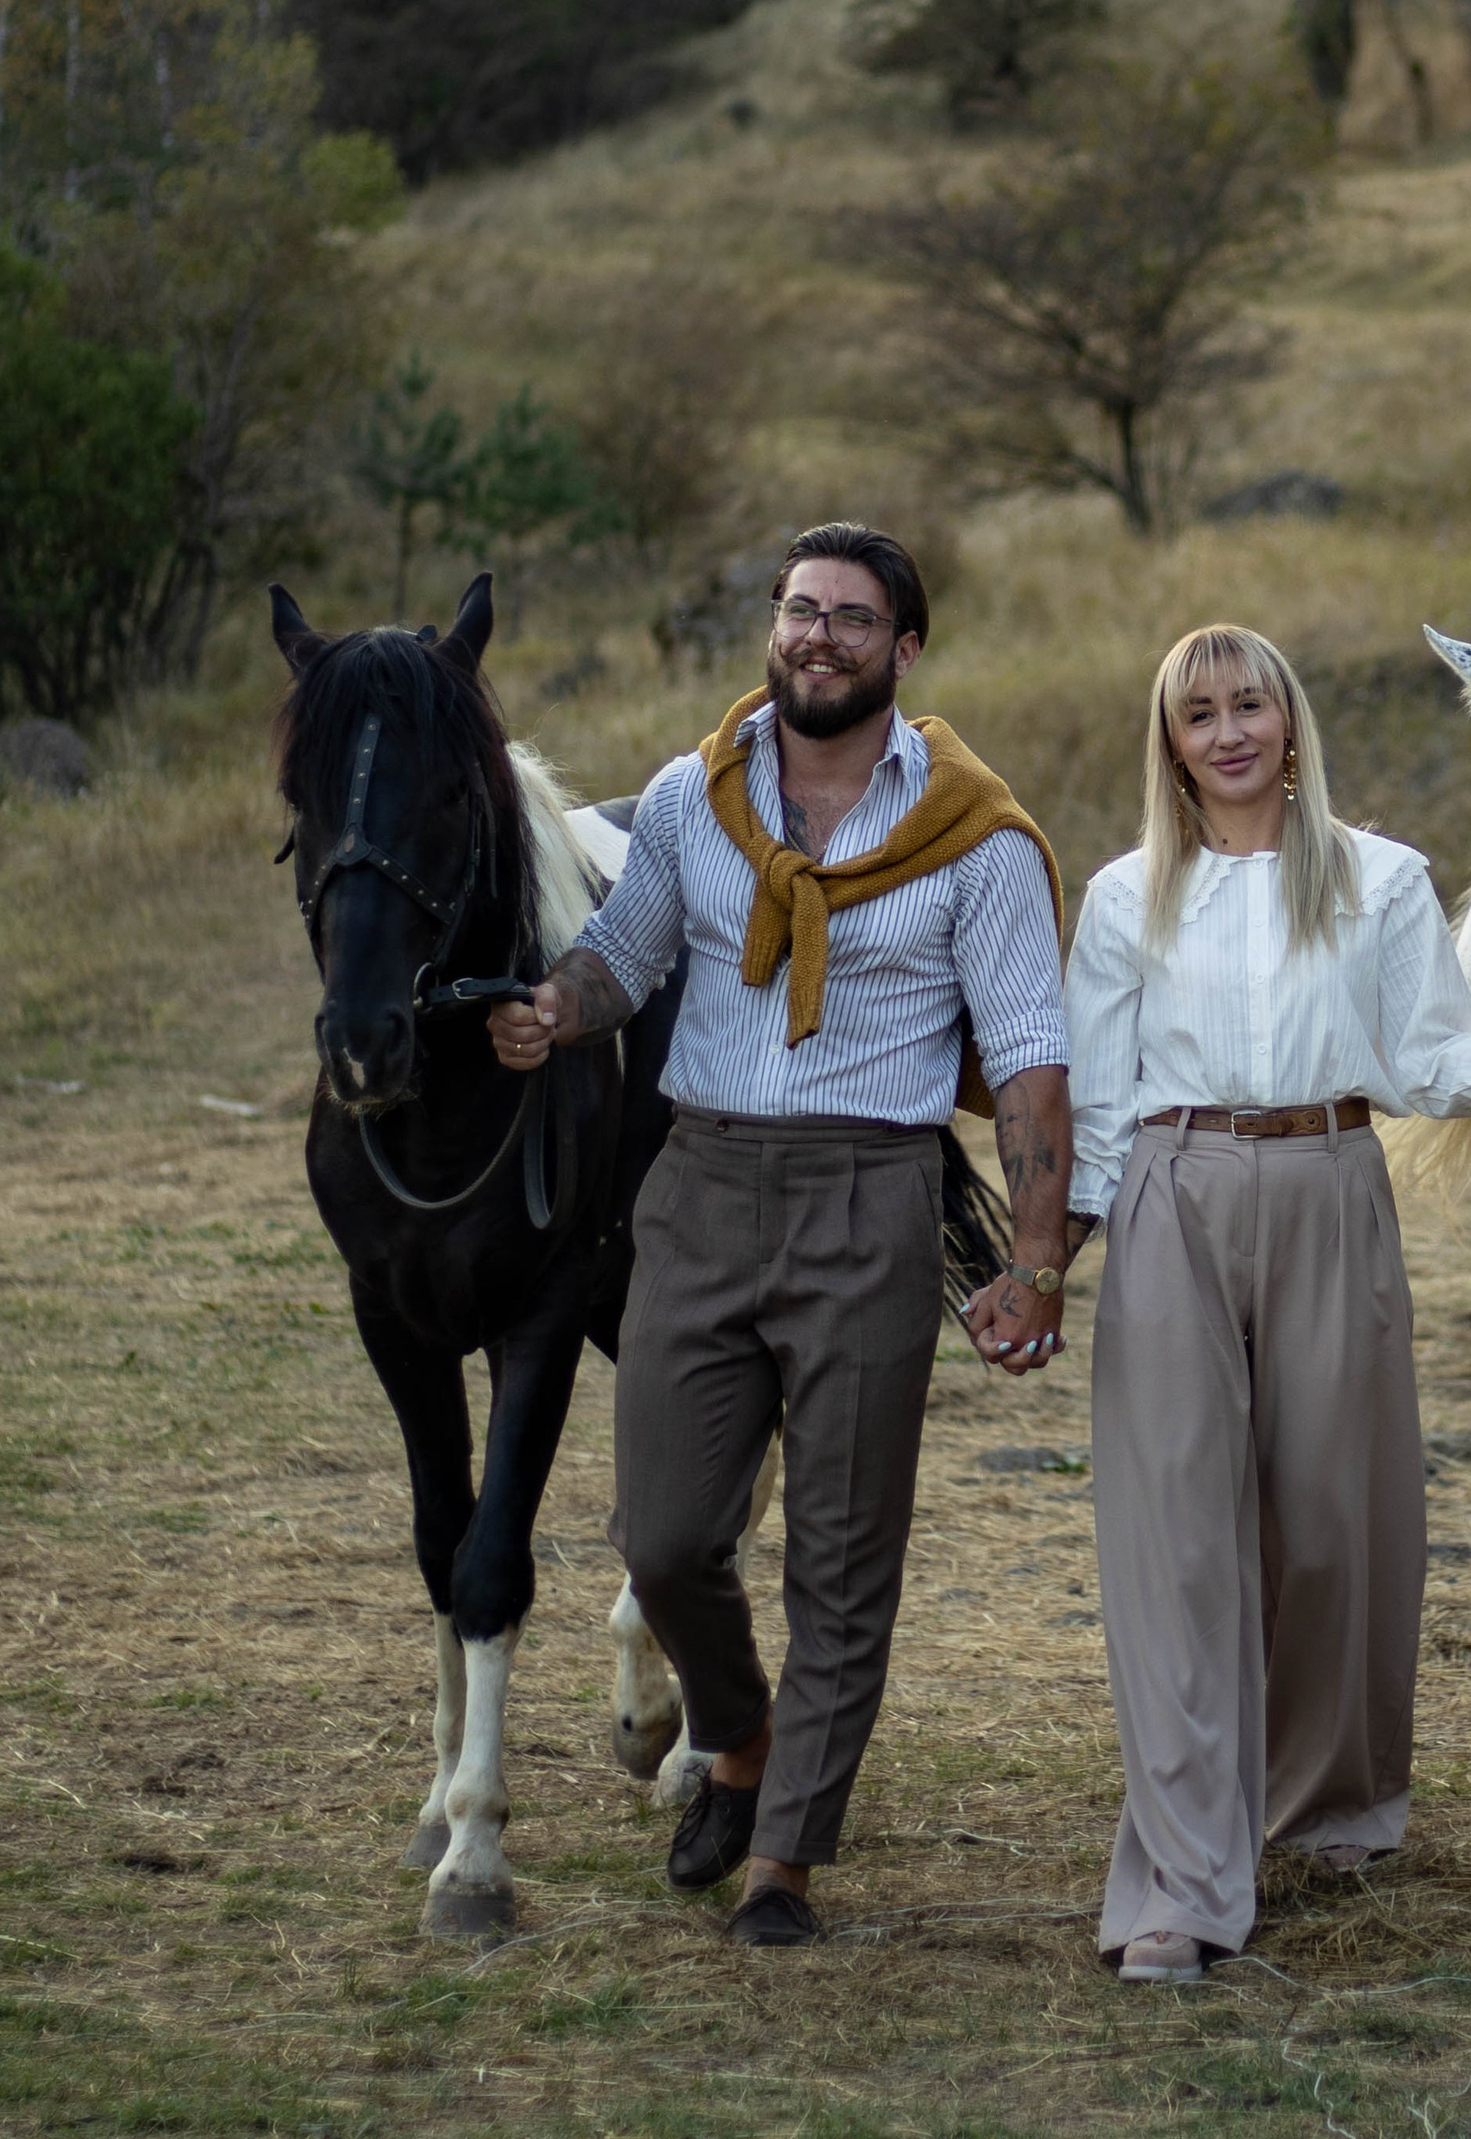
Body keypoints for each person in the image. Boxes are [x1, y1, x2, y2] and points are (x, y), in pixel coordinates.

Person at [487, 523, 1076, 1951]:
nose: (818, 636)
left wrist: (1038, 1260)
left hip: (871, 1197)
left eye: (852, 618)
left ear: (904, 649)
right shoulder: (699, 798)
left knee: (842, 1551)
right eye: (800, 610)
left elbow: (1032, 1053)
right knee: (669, 1531)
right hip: (697, 1185)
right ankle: (739, 1736)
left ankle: (785, 1860)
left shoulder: (974, 836)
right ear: (773, 625)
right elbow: (631, 950)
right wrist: (560, 1007)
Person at [1063, 624, 1471, 1984]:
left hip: (1334, 1177)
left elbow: (1423, 1057)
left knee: (1337, 1524)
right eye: (1200, 711)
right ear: (1170, 739)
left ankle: (1332, 1799)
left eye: (1251, 704)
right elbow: (1099, 1098)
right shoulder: (1123, 898)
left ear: (1292, 723)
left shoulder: (1383, 881)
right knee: (1175, 1544)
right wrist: (1054, 1258)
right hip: (1172, 1189)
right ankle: (1184, 1878)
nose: (1228, 730)